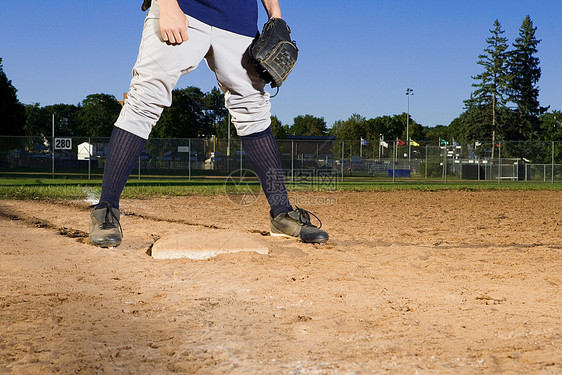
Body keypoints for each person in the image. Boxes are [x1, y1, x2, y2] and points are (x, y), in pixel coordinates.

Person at [89, 0, 329, 247]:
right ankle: (106, 210)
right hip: (184, 9)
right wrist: (168, 4)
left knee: (253, 109)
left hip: (240, 20)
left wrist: (275, 16)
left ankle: (281, 214)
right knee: (145, 98)